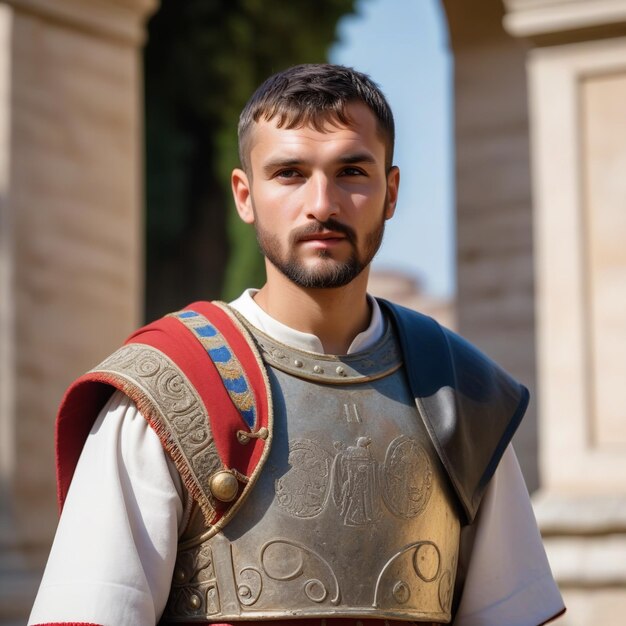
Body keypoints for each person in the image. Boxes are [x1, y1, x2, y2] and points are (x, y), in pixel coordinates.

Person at [29, 64, 565, 626]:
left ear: (391, 191)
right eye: (289, 173)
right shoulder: (166, 389)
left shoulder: (462, 393)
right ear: (245, 195)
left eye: (351, 171)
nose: (322, 205)